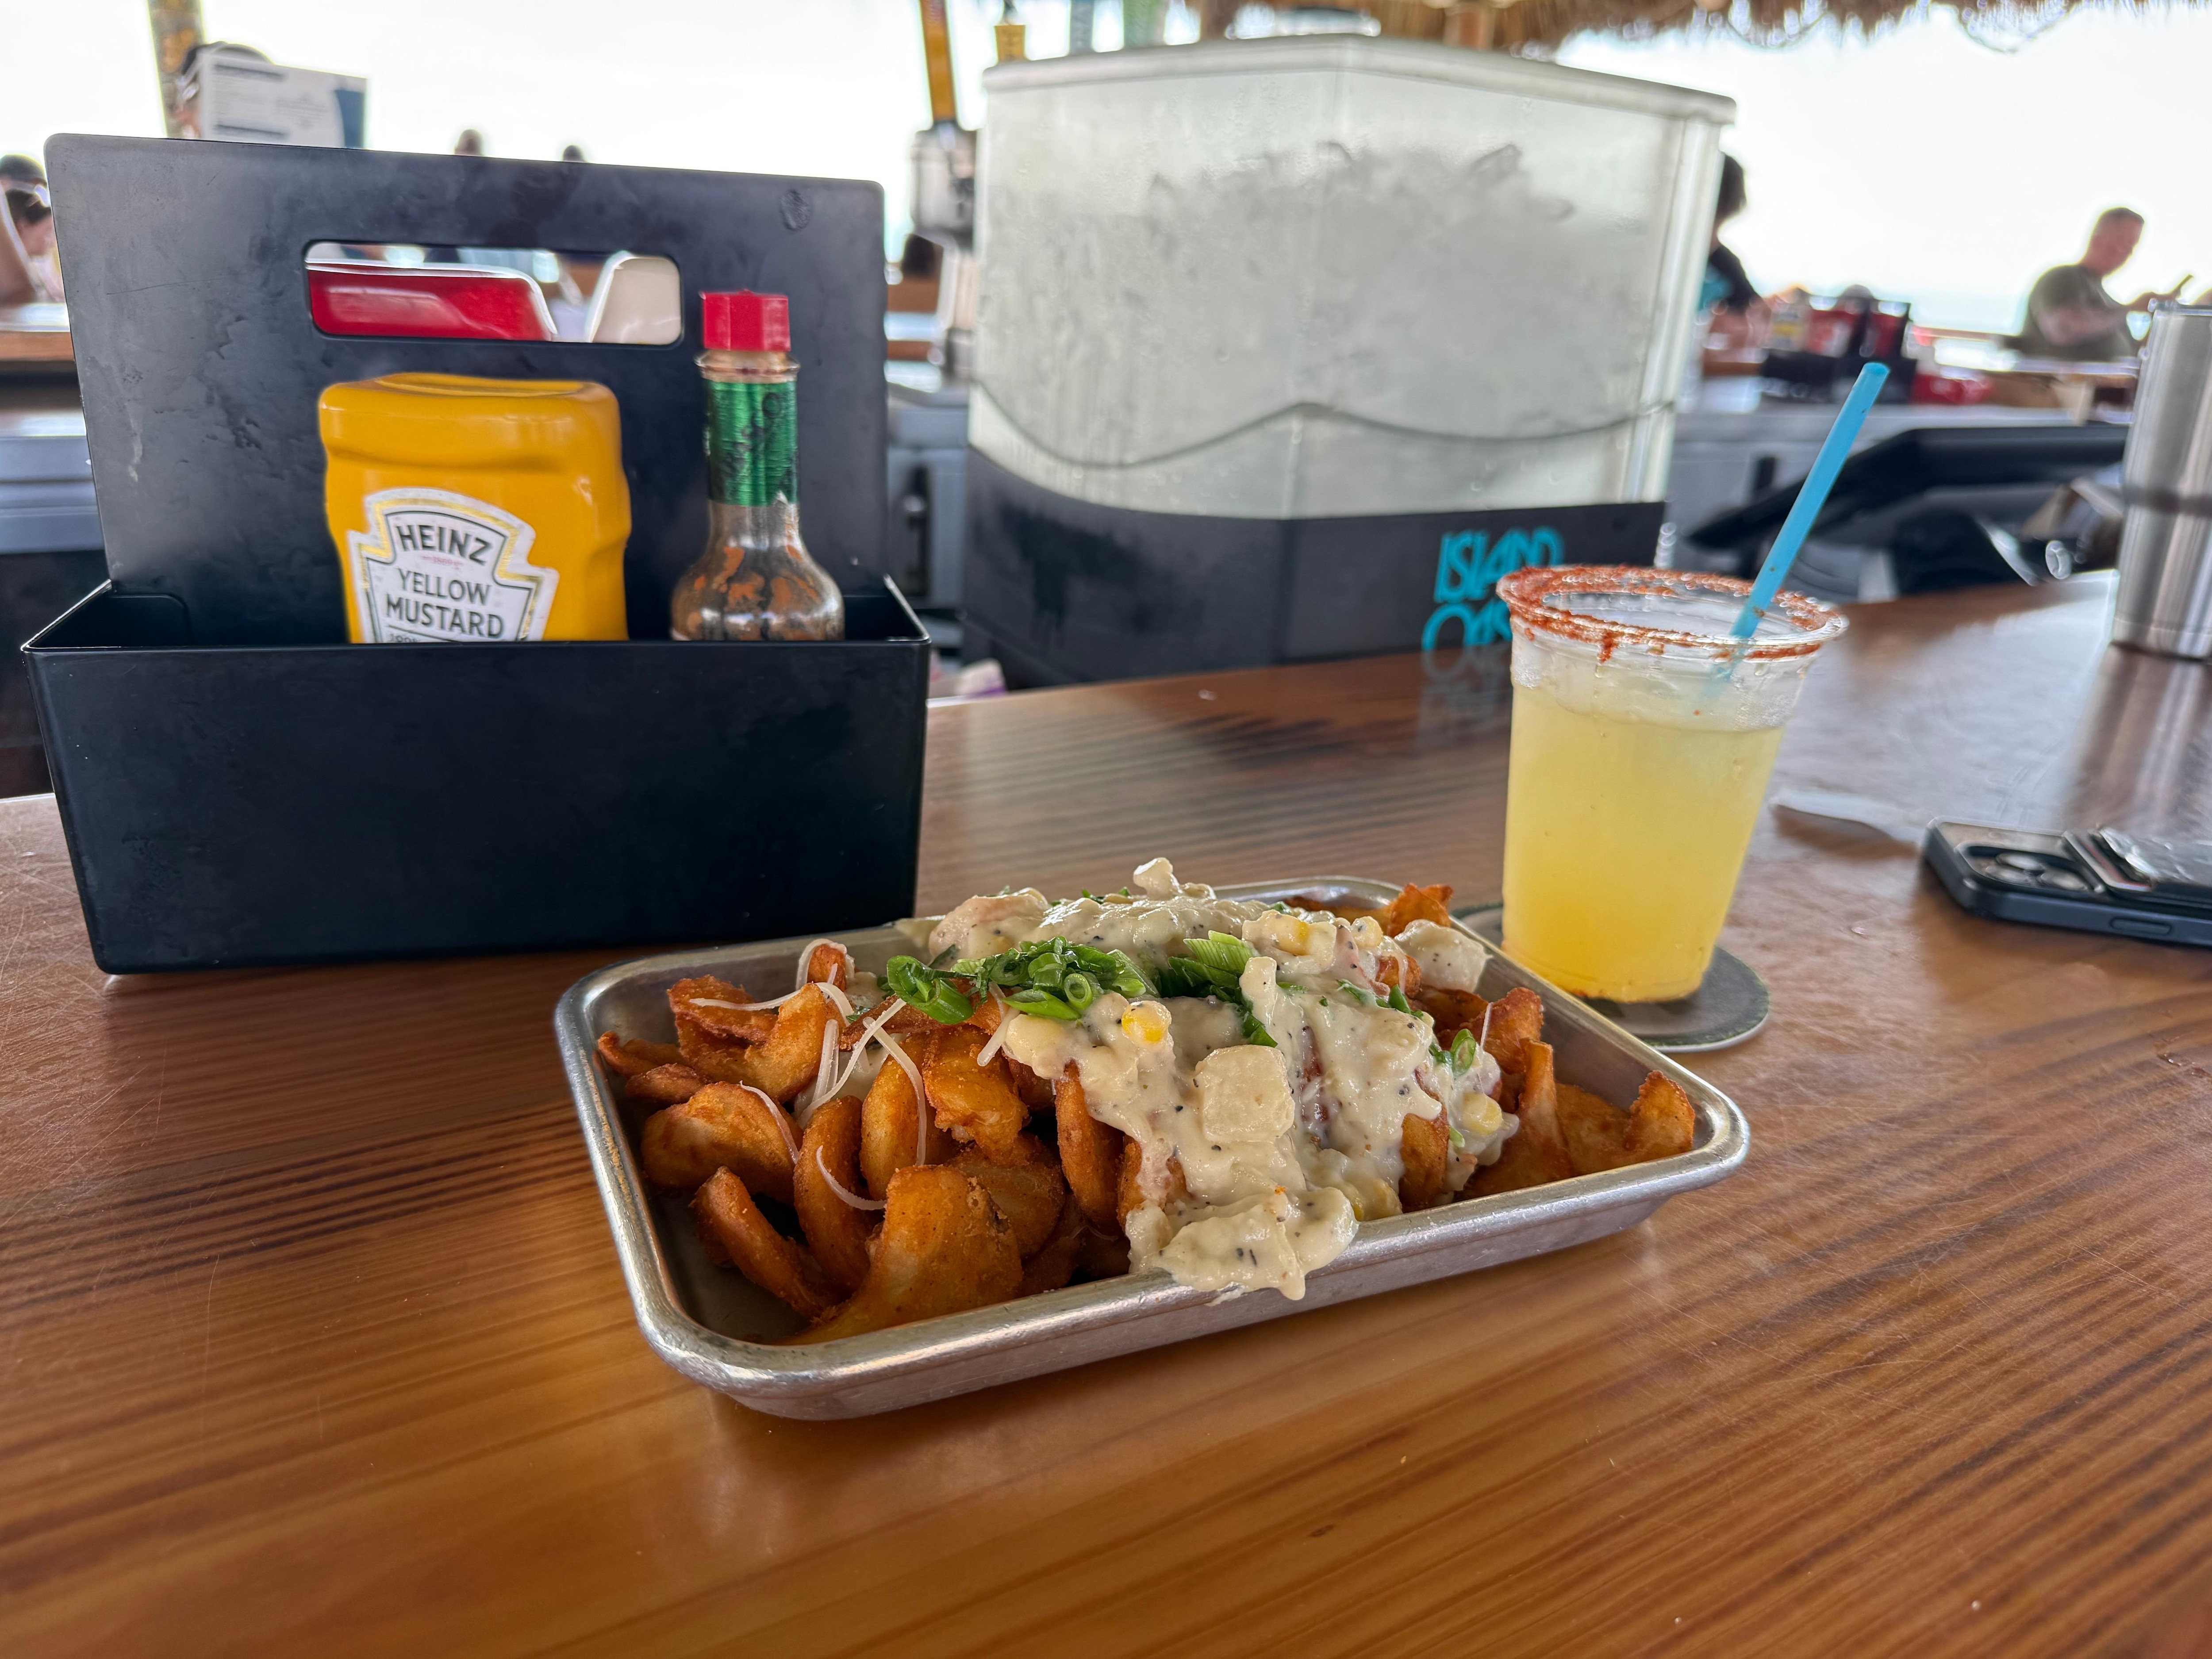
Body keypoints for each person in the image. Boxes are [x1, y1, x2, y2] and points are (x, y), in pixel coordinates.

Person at [2012, 208, 2187, 361]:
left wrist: (2162, 320)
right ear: (2098, 239)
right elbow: (2061, 329)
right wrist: (2131, 308)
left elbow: (2134, 354)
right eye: (2123, 243)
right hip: (2058, 386)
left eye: (2132, 247)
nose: (2127, 253)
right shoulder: (2062, 278)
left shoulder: (2108, 301)